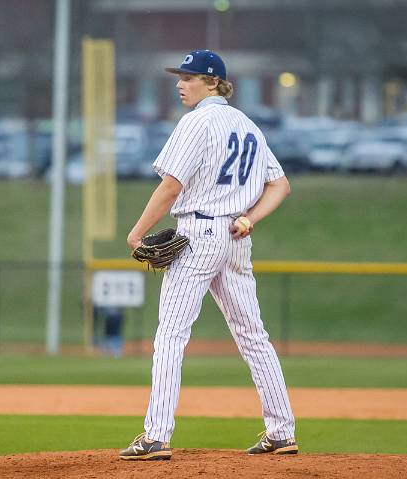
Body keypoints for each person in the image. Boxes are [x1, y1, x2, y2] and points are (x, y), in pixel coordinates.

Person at [119, 50, 297, 461]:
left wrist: (137, 232)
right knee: (254, 337)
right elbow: (281, 185)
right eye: (180, 77)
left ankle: (156, 436)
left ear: (214, 82)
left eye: (191, 77)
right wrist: (250, 218)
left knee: (171, 334)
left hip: (199, 231)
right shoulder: (248, 125)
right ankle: (282, 430)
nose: (182, 84)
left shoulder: (197, 121)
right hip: (235, 234)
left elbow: (170, 186)